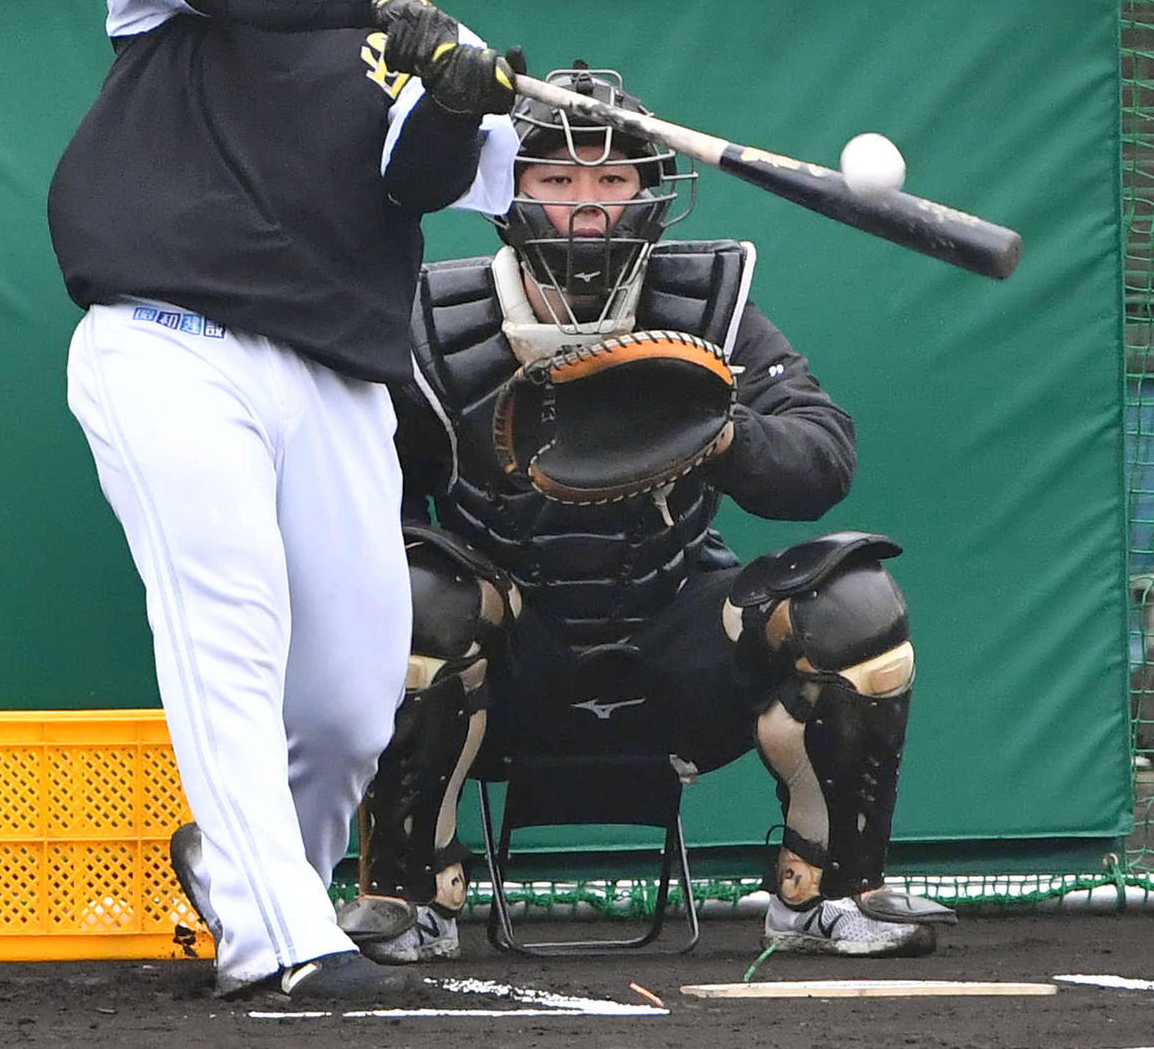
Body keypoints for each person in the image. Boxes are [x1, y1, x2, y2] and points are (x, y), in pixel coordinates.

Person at [46, 0, 538, 1002]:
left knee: (345, 702)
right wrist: (383, 13)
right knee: (229, 627)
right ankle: (284, 938)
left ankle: (245, 874)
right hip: (167, 345)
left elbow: (423, 183)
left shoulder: (444, 43)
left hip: (333, 382)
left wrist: (464, 95)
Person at [336, 64, 957, 963]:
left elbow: (824, 459)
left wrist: (719, 433)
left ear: (648, 191)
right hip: (505, 665)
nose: (586, 206)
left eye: (611, 180)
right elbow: (354, 492)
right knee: (411, 594)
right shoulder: (432, 314)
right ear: (510, 188)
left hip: (674, 646)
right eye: (557, 180)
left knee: (854, 606)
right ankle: (407, 891)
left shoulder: (710, 306)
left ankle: (828, 890)